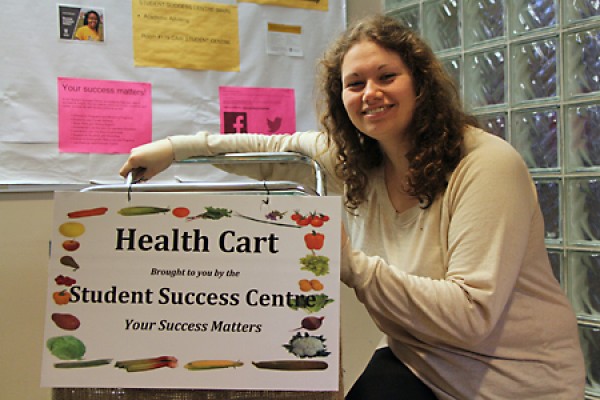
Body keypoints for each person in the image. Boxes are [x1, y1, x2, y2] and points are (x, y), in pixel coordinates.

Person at [120, 14, 585, 400]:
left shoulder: (486, 166)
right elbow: (269, 149)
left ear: (420, 84)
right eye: (354, 83)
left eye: (387, 77)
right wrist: (174, 149)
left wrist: (347, 262)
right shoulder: (357, 159)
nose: (370, 94)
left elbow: (470, 317)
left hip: (516, 380)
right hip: (422, 358)